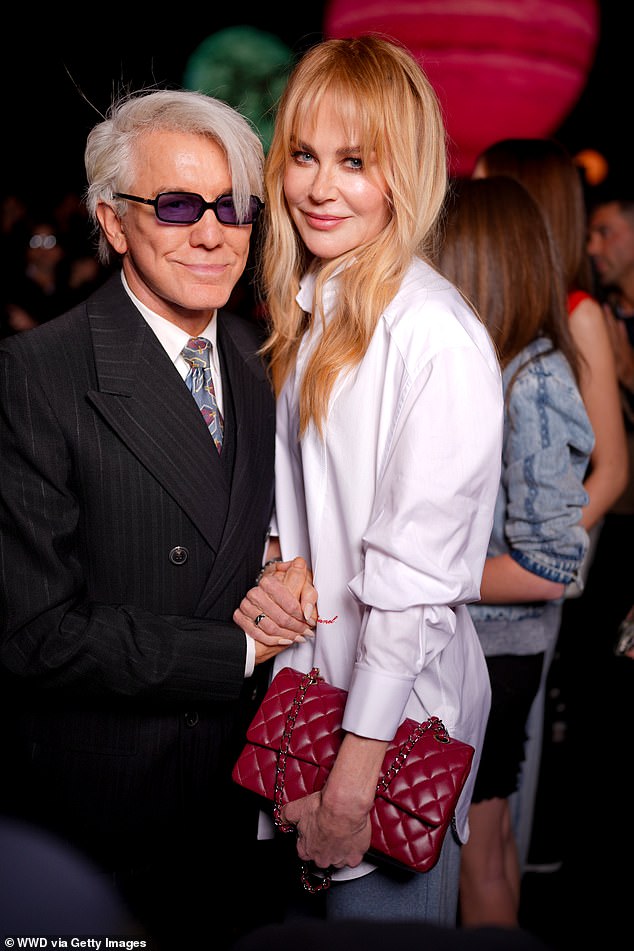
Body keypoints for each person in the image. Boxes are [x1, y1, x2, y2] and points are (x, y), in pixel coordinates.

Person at [0, 88, 316, 950]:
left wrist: (289, 557)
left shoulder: (265, 360)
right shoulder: (40, 372)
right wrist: (239, 647)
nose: (211, 232)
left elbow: (256, 520)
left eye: (233, 207)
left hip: (246, 807)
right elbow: (32, 633)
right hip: (103, 815)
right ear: (112, 221)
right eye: (175, 206)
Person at [236, 35, 504, 926]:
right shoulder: (317, 311)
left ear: (406, 173)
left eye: (355, 161)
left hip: (392, 722)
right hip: (316, 698)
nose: (319, 187)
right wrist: (280, 559)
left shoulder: (431, 332)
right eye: (305, 155)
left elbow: (413, 589)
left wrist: (357, 770)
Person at [434, 175, 593, 926]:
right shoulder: (499, 361)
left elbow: (551, 567)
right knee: (487, 845)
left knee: (479, 850)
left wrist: (426, 575)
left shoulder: (531, 376)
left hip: (499, 649)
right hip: (492, 645)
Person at [472, 138, 628, 872]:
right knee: (497, 791)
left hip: (529, 560)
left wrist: (543, 553)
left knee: (499, 784)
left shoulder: (574, 313)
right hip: (515, 559)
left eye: (485, 187)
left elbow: (613, 466)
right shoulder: (501, 316)